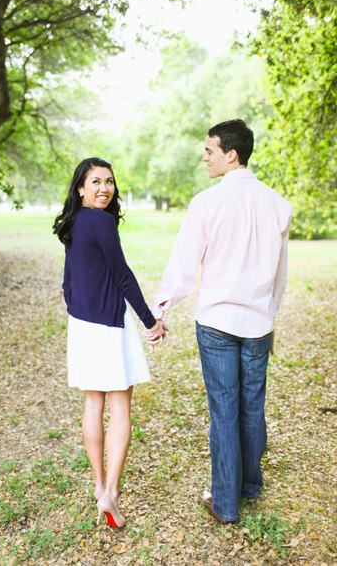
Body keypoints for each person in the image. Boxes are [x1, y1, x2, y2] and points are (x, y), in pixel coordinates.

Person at [152, 119, 292, 525]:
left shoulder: (207, 203)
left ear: (231, 154)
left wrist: (159, 309)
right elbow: (280, 276)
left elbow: (182, 266)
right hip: (257, 323)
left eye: (209, 150)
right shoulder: (278, 204)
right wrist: (271, 314)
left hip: (216, 323)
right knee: (252, 406)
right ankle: (249, 486)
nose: (204, 157)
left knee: (224, 411)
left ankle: (225, 503)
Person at [53, 157, 167, 528]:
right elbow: (123, 276)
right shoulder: (100, 221)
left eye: (110, 181)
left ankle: (99, 485)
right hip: (106, 325)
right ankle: (111, 493)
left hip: (82, 325)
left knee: (92, 403)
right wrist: (151, 322)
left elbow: (68, 281)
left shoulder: (74, 222)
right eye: (96, 181)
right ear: (81, 188)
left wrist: (78, 311)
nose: (105, 188)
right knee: (119, 407)